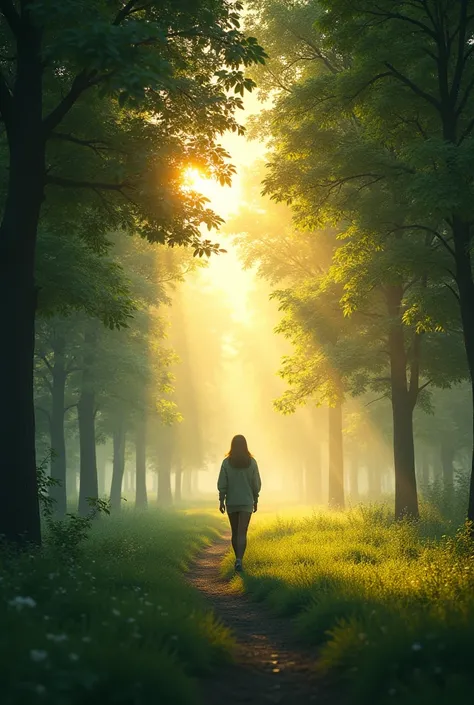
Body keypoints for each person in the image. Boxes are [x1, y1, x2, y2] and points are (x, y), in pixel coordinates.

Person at [217, 434, 261, 572]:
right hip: (247, 501)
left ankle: (237, 558)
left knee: (235, 532)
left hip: (232, 502)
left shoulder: (226, 463)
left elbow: (222, 483)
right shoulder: (252, 462)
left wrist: (221, 500)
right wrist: (256, 499)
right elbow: (256, 483)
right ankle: (239, 560)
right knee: (242, 532)